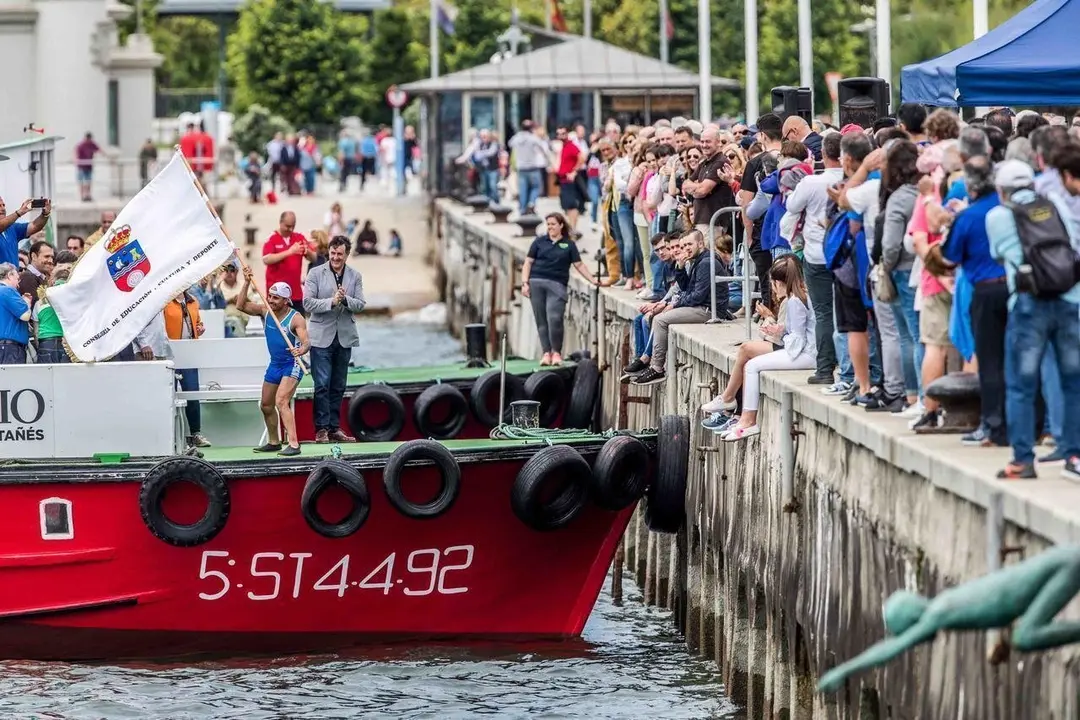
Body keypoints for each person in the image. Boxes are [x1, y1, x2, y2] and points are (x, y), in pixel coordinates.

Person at [700, 255, 816, 440]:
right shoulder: (801, 296)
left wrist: (780, 333)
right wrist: (781, 330)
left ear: (778, 283)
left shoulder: (795, 301)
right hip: (808, 352)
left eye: (773, 283)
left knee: (752, 366)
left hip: (807, 355)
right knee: (751, 364)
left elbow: (797, 344)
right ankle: (744, 418)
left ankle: (748, 420)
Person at [236, 268, 310, 457]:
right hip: (275, 364)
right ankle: (274, 442)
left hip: (292, 364)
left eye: (276, 298)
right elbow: (240, 305)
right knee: (266, 405)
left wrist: (301, 350)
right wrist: (246, 282)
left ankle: (294, 444)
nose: (270, 300)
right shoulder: (265, 311)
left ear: (286, 300)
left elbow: (306, 342)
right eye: (270, 296)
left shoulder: (296, 318)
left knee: (281, 401)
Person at [304, 235, 366, 443]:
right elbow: (307, 303)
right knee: (322, 384)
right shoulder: (315, 273)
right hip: (321, 337)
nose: (336, 257)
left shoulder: (355, 276)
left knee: (338, 385)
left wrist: (345, 300)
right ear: (328, 252)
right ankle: (321, 429)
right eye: (333, 253)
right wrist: (331, 302)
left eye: (340, 254)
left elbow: (360, 304)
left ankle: (334, 428)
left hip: (344, 337)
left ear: (347, 255)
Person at [520, 213, 601, 366]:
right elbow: (528, 263)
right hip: (536, 282)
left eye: (553, 224)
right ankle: (546, 353)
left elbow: (579, 265)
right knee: (541, 320)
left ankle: (556, 352)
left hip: (557, 284)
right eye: (548, 224)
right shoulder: (539, 242)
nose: (550, 227)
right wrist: (525, 283)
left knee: (554, 318)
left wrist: (593, 280)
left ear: (561, 225)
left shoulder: (569, 245)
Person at [164, 290, 212, 448]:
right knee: (168, 396)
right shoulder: (165, 301)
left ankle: (195, 433)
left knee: (193, 395)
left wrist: (200, 328)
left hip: (190, 353)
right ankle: (170, 436)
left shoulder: (193, 301)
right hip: (170, 353)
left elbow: (198, 322)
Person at [262, 211, 315, 315]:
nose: (290, 229)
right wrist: (289, 252)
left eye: (293, 226)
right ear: (280, 223)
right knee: (277, 323)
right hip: (276, 296)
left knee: (299, 322)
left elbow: (314, 258)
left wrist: (308, 251)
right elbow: (266, 259)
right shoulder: (272, 238)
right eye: (287, 226)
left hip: (295, 294)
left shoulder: (299, 237)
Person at [0, 197, 51, 267]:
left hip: (13, 273)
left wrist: (45, 214)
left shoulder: (12, 228)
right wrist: (19, 213)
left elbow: (35, 226)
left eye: (3, 205)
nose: (3, 208)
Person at [33, 268, 69, 363]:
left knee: (45, 372)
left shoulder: (40, 302)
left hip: (46, 342)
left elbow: (36, 332)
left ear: (53, 281)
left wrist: (39, 346)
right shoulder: (71, 299)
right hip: (66, 342)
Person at [0, 263, 32, 364]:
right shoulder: (7, 290)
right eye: (17, 279)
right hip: (10, 348)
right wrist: (26, 302)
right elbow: (25, 315)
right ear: (10, 275)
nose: (18, 284)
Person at [18, 240, 54, 309]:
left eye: (52, 257)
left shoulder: (41, 277)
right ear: (34, 256)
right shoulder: (28, 277)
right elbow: (35, 308)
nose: (51, 261)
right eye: (46, 256)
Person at [75, 132, 100, 202]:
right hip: (81, 166)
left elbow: (99, 150)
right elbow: (76, 154)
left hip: (88, 166)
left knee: (88, 182)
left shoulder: (92, 144)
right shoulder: (81, 145)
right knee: (82, 182)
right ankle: (83, 196)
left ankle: (88, 195)